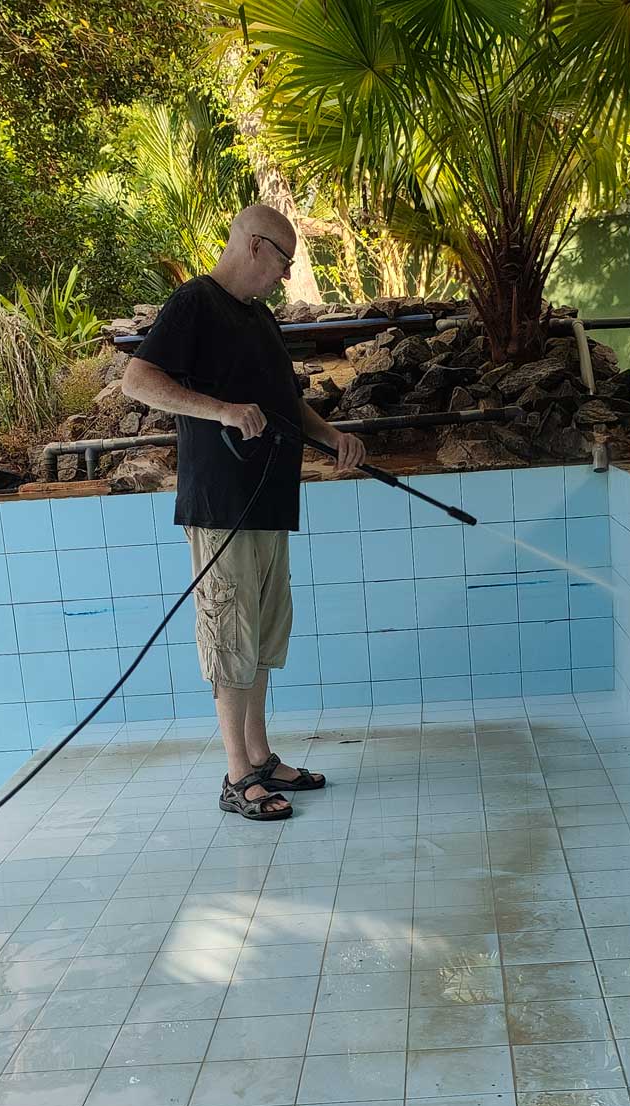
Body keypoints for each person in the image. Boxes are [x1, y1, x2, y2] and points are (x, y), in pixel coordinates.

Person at [121, 204, 366, 821]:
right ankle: (237, 777)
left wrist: (333, 437)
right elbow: (138, 380)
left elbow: (286, 407)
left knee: (259, 637)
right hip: (223, 504)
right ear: (256, 246)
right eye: (285, 262)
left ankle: (259, 756)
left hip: (270, 502)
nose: (286, 278)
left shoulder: (260, 321)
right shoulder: (194, 303)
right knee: (231, 637)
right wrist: (221, 410)